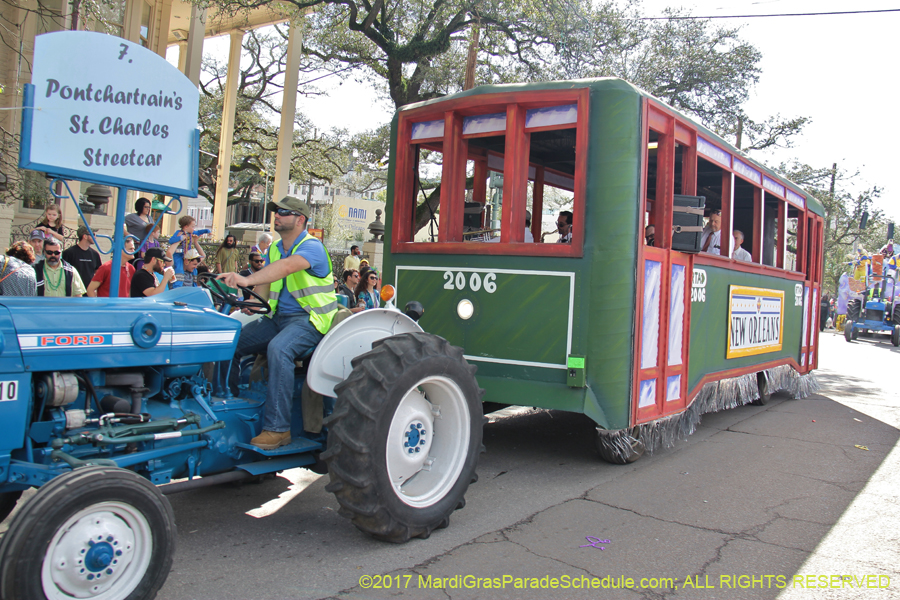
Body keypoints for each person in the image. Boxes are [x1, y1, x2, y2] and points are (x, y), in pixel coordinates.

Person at [217, 196, 338, 450]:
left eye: (283, 212)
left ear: (300, 219)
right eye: (276, 211)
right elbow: (266, 284)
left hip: (311, 320)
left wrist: (245, 279)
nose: (277, 216)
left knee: (279, 348)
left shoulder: (311, 246)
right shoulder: (273, 249)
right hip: (277, 318)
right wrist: (251, 303)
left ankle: (277, 429)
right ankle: (227, 403)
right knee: (230, 341)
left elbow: (285, 268)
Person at [166, 215, 207, 282]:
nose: (194, 228)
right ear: (186, 227)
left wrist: (206, 231)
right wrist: (180, 238)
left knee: (195, 272)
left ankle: (194, 283)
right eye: (192, 226)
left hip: (187, 255)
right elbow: (170, 245)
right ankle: (178, 284)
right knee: (179, 269)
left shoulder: (190, 234)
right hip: (179, 254)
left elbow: (203, 256)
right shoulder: (180, 233)